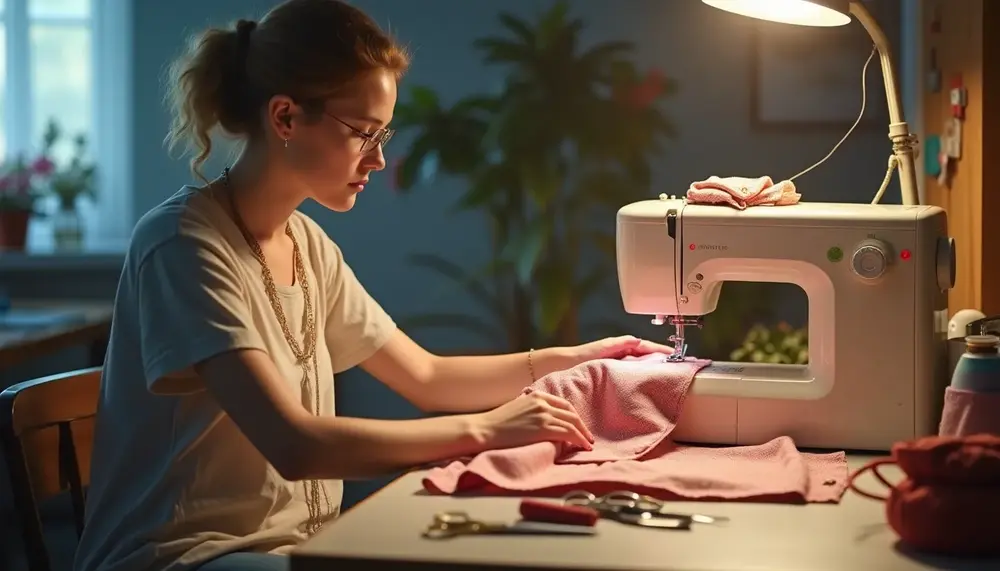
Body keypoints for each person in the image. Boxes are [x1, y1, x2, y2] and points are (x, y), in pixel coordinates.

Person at [72, 1, 672, 570]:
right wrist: (487, 429)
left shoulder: (306, 245)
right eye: (364, 132)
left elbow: (426, 378)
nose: (378, 159)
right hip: (186, 556)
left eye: (383, 136)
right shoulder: (183, 245)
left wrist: (581, 358)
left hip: (289, 548)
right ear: (285, 116)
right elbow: (295, 445)